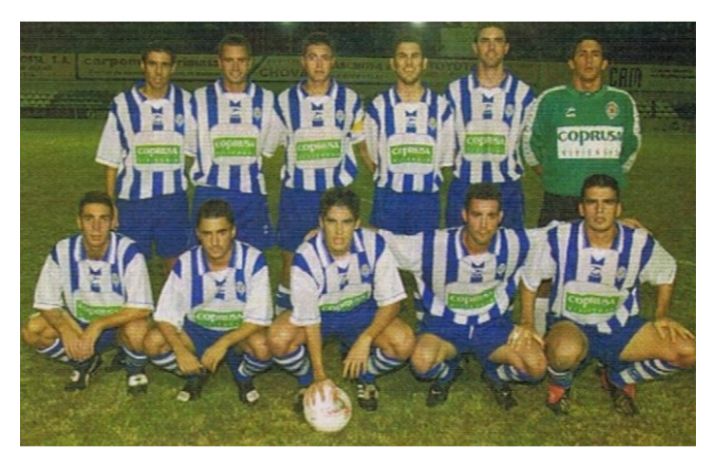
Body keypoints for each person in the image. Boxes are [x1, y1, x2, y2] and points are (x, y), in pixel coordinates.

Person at [520, 174, 695, 416]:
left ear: (618, 208)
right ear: (581, 208)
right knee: (563, 353)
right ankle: (560, 385)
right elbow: (530, 279)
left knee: (689, 351)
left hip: (621, 327)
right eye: (592, 202)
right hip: (571, 325)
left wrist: (662, 314)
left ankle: (618, 378)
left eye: (608, 202)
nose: (600, 210)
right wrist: (528, 322)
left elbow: (666, 271)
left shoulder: (638, 242)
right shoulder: (559, 237)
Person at [381, 183, 545, 409]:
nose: (484, 225)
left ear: (500, 217)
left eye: (491, 216)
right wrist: (341, 230)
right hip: (444, 326)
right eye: (477, 215)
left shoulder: (515, 243)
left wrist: (527, 321)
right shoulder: (433, 245)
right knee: (421, 363)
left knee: (536, 367)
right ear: (465, 215)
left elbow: (558, 234)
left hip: (492, 326)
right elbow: (385, 241)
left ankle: (495, 374)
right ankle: (449, 372)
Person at [268, 187, 415, 412]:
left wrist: (366, 338)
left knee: (404, 342)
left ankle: (365, 375)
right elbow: (310, 321)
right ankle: (306, 380)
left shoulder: (374, 245)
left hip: (361, 313)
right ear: (321, 222)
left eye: (346, 222)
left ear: (357, 223)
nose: (338, 231)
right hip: (321, 317)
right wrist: (319, 374)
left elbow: (392, 302)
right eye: (331, 222)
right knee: (278, 338)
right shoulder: (305, 257)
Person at [268, 32, 366, 313]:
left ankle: (334, 317)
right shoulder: (285, 101)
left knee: (337, 258)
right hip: (297, 195)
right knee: (291, 259)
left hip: (336, 195)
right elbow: (272, 146)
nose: (319, 64)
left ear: (333, 61)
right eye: (313, 57)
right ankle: (283, 317)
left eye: (324, 58)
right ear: (303, 61)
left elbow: (361, 144)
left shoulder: (350, 100)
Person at [21, 191, 153, 394]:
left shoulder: (129, 253)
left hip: (117, 327)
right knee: (33, 329)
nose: (96, 227)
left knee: (138, 330)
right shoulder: (62, 251)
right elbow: (46, 302)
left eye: (103, 219)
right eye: (89, 218)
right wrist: (65, 330)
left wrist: (97, 325)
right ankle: (85, 360)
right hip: (78, 325)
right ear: (79, 222)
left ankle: (134, 366)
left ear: (113, 222)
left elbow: (141, 308)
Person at [143, 199, 273, 403]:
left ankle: (243, 374)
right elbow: (165, 316)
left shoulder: (253, 260)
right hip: (197, 333)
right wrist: (180, 351)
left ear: (233, 231)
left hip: (237, 335)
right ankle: (195, 373)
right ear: (198, 234)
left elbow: (259, 318)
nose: (215, 242)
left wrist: (222, 344)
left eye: (221, 232)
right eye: (207, 234)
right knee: (153, 342)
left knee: (263, 346)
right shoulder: (186, 263)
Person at [95, 41, 196, 273]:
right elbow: (111, 160)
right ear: (143, 65)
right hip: (133, 202)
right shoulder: (122, 104)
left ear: (173, 68)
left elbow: (195, 150)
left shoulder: (187, 103)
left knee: (176, 266)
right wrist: (111, 205)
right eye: (152, 64)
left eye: (164, 65)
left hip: (173, 200)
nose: (158, 71)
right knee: (131, 266)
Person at [522, 35, 642, 228]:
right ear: (571, 63)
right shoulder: (551, 99)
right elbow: (529, 144)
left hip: (602, 201)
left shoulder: (622, 101)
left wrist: (609, 175)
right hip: (559, 199)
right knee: (552, 248)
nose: (589, 60)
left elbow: (631, 147)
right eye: (582, 54)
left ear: (604, 63)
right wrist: (554, 175)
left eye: (595, 54)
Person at [190, 33, 278, 251]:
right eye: (229, 60)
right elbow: (190, 147)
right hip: (210, 193)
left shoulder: (267, 100)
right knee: (208, 260)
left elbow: (267, 149)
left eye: (241, 60)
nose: (236, 67)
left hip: (251, 196)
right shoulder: (199, 99)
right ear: (219, 62)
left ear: (249, 62)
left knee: (252, 259)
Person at [361, 34, 454, 234]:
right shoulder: (378, 107)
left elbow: (445, 162)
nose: (409, 63)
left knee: (423, 254)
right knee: (386, 253)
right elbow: (369, 155)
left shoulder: (441, 108)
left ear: (424, 62)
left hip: (426, 203)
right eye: (402, 56)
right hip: (388, 200)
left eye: (415, 56)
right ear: (393, 63)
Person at [445, 24, 535, 230]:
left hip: (507, 187)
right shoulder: (454, 91)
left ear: (506, 48)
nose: (491, 47)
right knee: (457, 244)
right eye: (485, 41)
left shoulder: (524, 94)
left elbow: (533, 142)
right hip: (465, 184)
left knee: (509, 246)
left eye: (498, 41)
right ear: (475, 47)